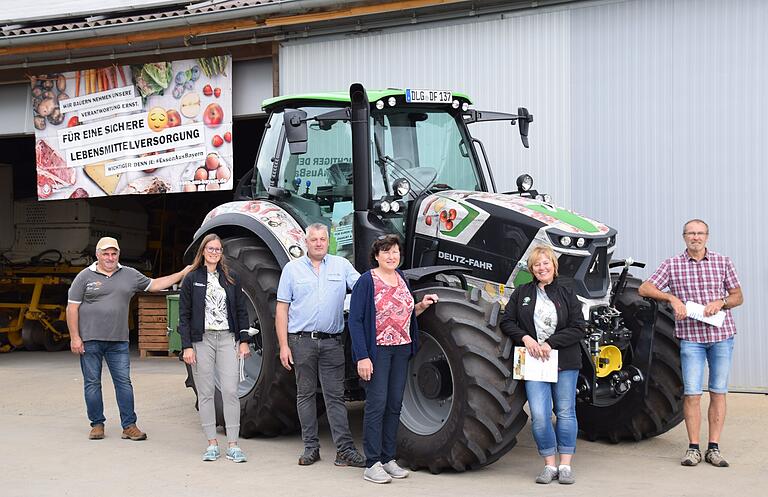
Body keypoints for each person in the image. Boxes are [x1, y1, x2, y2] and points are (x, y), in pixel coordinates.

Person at [639, 219, 743, 468]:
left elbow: (738, 296)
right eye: (691, 233)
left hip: (721, 337)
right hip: (691, 340)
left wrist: (722, 302)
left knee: (718, 392)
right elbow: (644, 288)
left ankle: (714, 448)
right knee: (692, 394)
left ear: (707, 236)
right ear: (684, 237)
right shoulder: (672, 264)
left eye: (700, 233)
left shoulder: (722, 261)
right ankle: (694, 448)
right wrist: (671, 298)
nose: (695, 237)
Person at [66, 236, 191, 441]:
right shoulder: (84, 277)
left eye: (113, 253)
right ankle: (97, 424)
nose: (110, 257)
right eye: (105, 253)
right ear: (97, 255)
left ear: (118, 255)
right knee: (92, 383)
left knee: (123, 383)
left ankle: (129, 425)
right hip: (90, 340)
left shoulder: (130, 275)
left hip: (118, 340)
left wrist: (182, 273)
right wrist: (75, 337)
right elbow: (72, 307)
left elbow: (155, 284)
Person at [348, 234, 438, 484]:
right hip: (378, 351)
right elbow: (355, 321)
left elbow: (405, 313)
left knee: (394, 404)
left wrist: (422, 306)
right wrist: (362, 357)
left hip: (401, 348)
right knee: (377, 404)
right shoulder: (367, 281)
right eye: (386, 252)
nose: (391, 256)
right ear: (376, 256)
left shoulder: (402, 279)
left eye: (395, 252)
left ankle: (388, 458)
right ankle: (372, 462)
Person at [275, 223, 365, 467]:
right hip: (301, 341)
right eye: (313, 239)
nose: (318, 243)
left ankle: (344, 450)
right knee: (305, 395)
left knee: (335, 397)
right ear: (306, 242)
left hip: (332, 342)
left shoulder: (342, 266)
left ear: (328, 241)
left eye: (322, 239)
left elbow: (364, 288)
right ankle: (311, 448)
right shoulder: (292, 270)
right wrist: (284, 345)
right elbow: (281, 310)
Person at [499, 245, 587, 485]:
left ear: (554, 266)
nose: (542, 268)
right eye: (537, 264)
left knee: (566, 412)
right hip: (534, 362)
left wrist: (551, 343)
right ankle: (549, 465)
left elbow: (579, 327)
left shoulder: (567, 292)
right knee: (539, 415)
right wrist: (525, 338)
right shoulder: (521, 292)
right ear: (531, 268)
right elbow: (507, 321)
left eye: (546, 263)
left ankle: (566, 465)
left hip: (564, 361)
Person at [179, 234, 251, 463]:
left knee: (230, 391)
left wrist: (244, 340)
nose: (214, 252)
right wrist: (187, 346)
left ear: (222, 253)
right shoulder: (192, 278)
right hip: (202, 340)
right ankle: (211, 443)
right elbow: (185, 315)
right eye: (210, 249)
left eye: (218, 249)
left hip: (227, 338)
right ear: (203, 251)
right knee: (206, 392)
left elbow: (241, 310)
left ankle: (233, 444)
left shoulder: (231, 278)